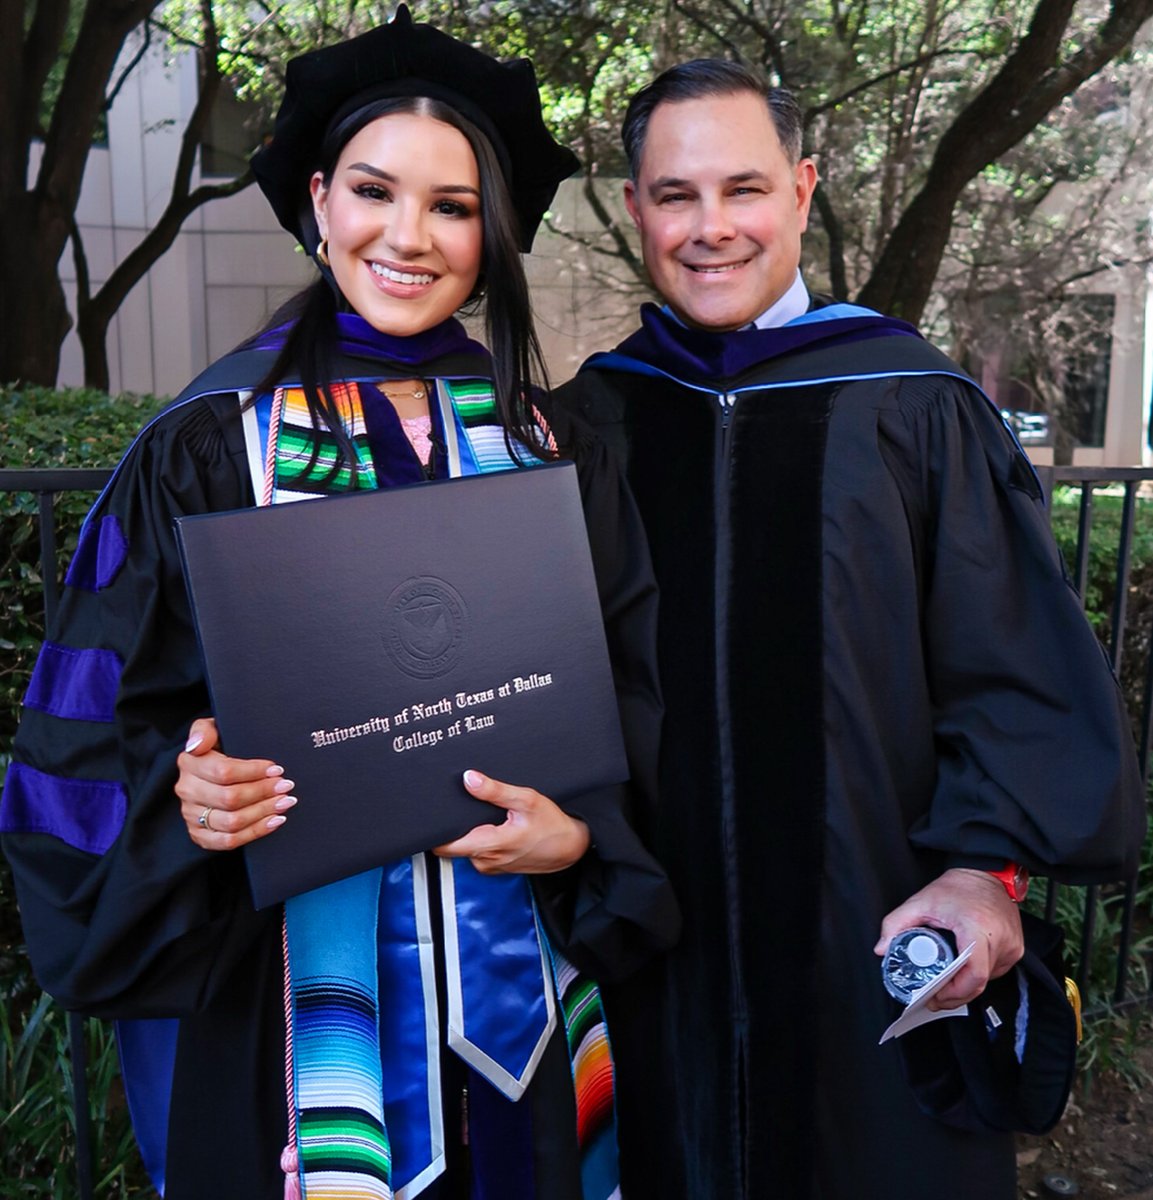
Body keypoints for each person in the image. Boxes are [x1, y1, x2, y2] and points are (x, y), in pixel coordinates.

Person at [0, 12, 678, 1198]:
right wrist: (186, 795)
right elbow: (89, 731)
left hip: (525, 986)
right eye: (374, 190)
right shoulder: (207, 446)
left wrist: (583, 842)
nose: (407, 237)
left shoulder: (554, 447)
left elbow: (633, 689)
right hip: (285, 1012)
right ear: (319, 202)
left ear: (491, 234)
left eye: (453, 207)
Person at [556, 58, 1147, 1200]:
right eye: (675, 195)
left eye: (744, 189)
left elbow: (1008, 666)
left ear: (802, 190)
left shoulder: (907, 403)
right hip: (649, 957)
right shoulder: (597, 420)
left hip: (871, 938)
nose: (710, 226)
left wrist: (983, 870)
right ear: (634, 208)